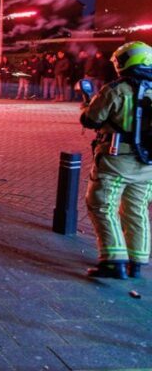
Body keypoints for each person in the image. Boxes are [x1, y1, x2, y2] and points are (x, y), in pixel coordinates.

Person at [80, 41, 152, 279]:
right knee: (137, 209)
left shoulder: (117, 89)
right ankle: (137, 262)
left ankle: (113, 261)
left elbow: (92, 119)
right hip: (148, 165)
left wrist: (87, 101)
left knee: (102, 205)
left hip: (116, 160)